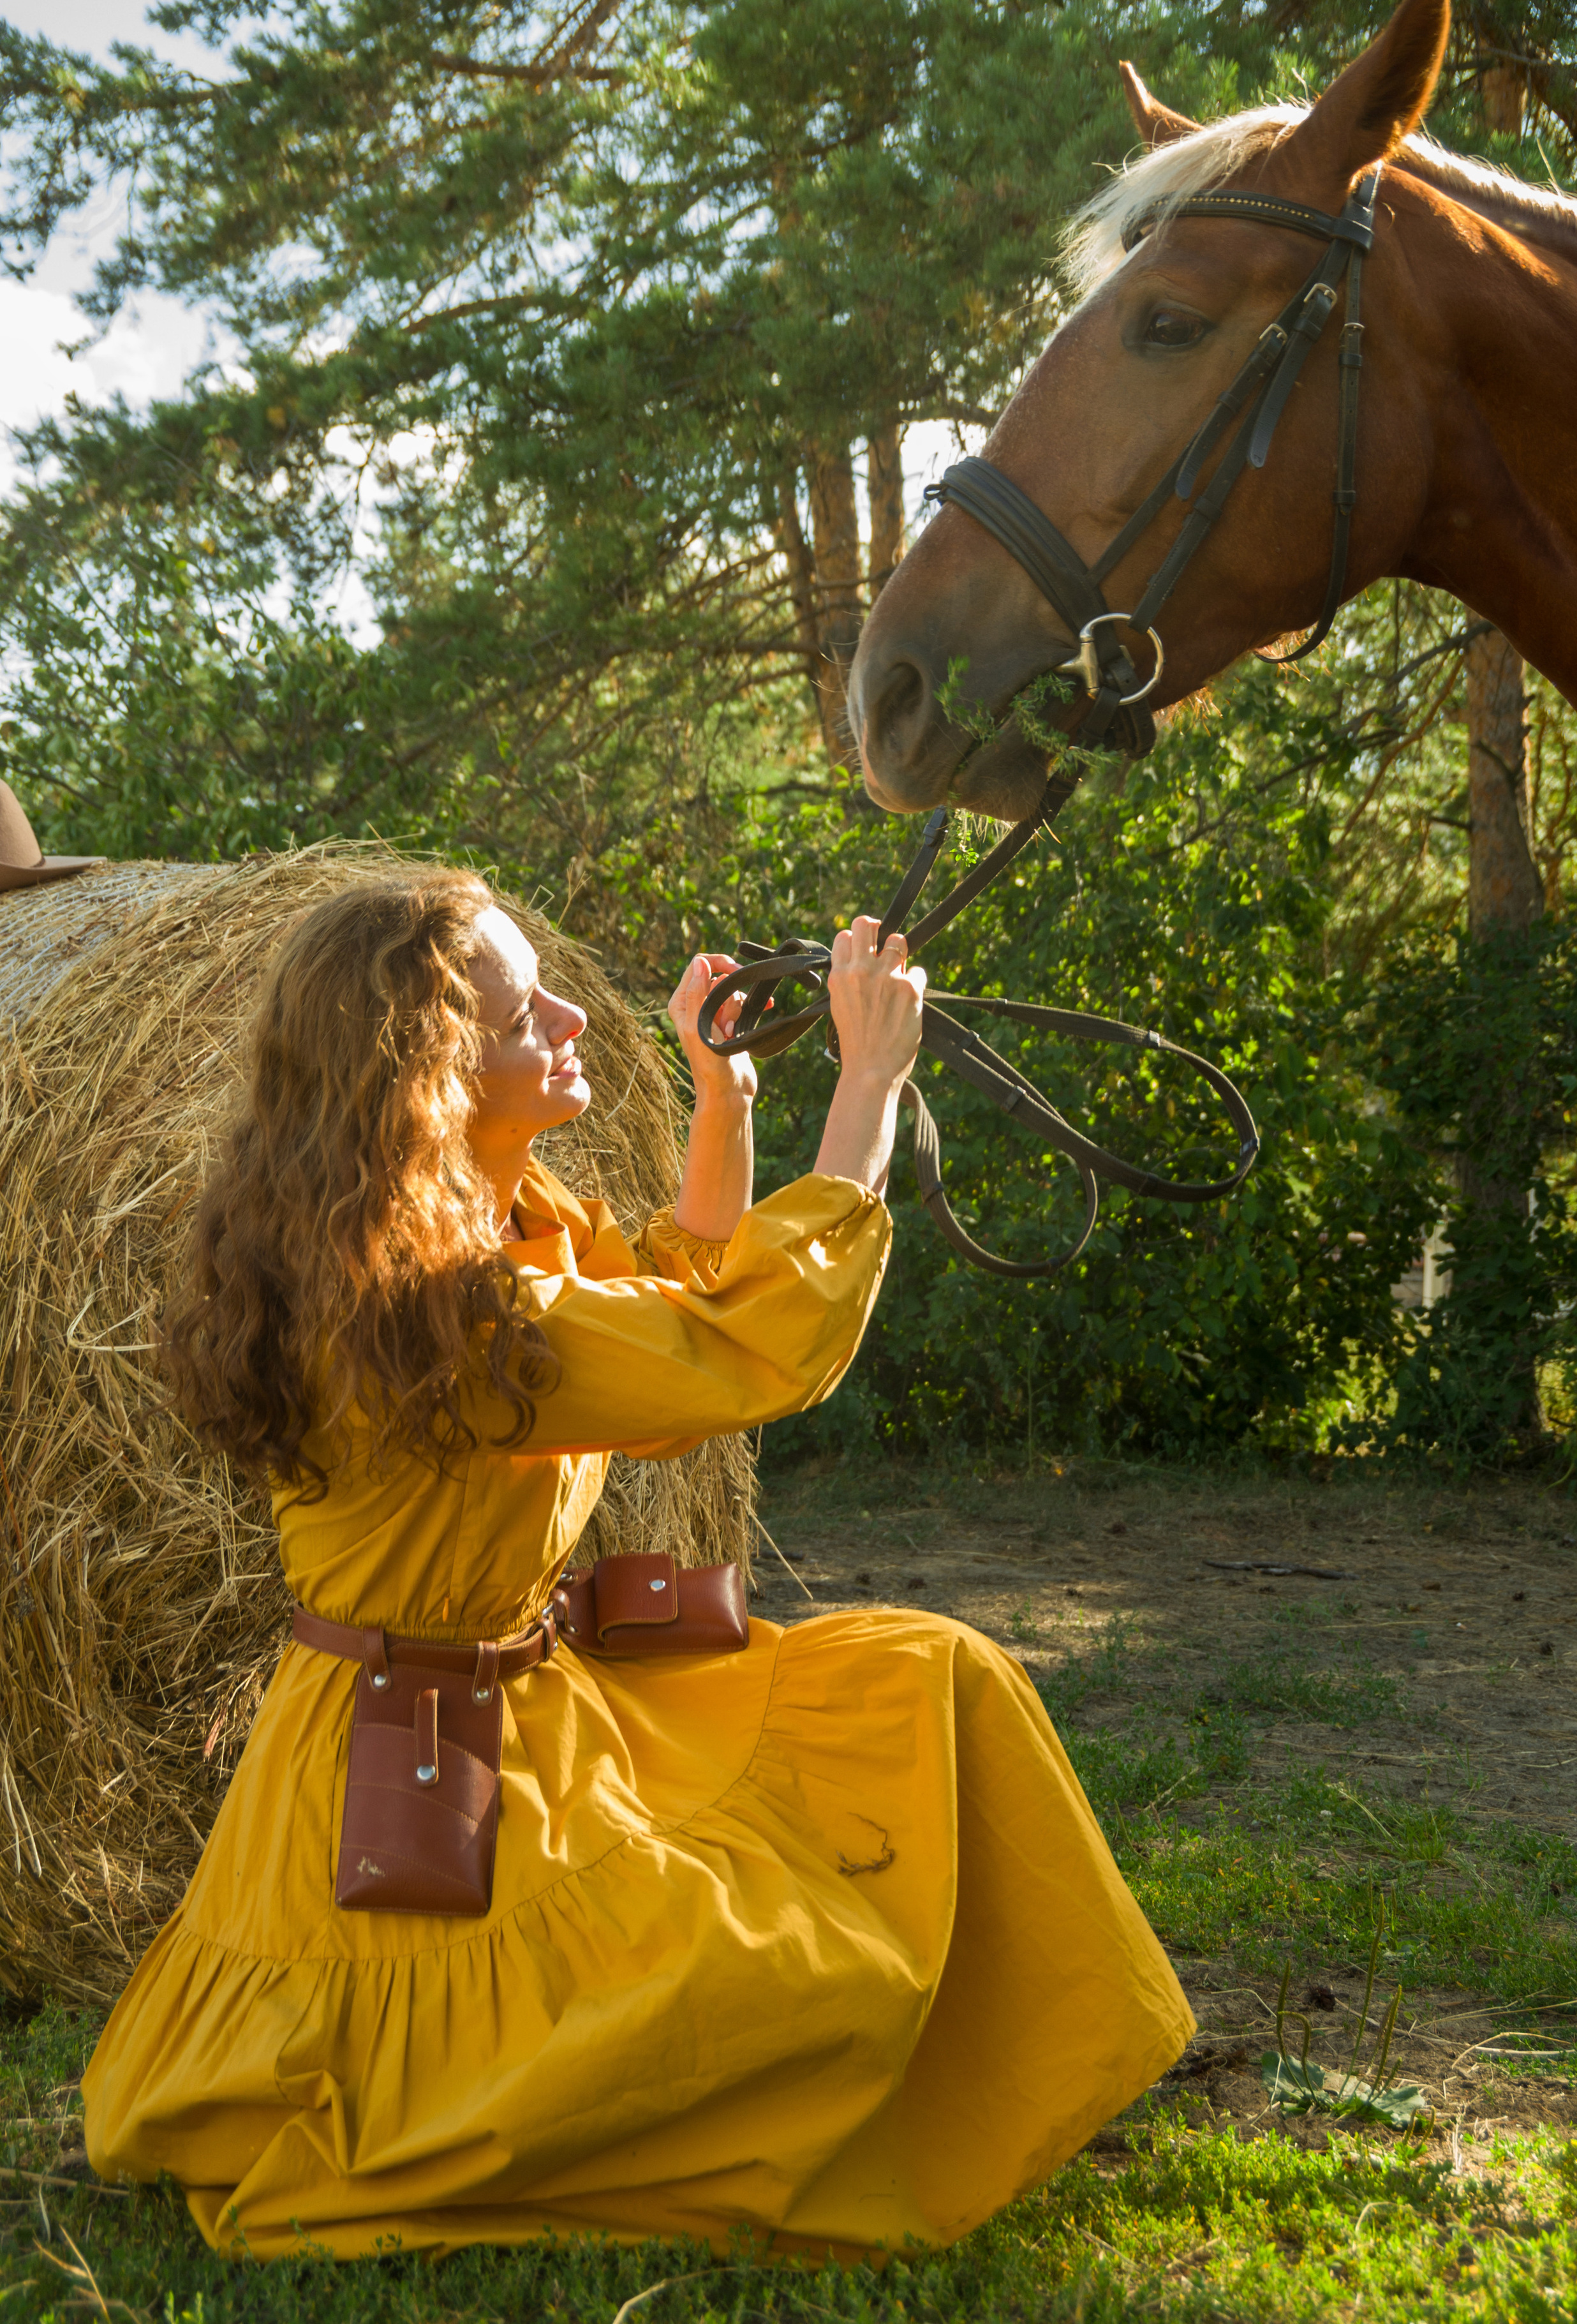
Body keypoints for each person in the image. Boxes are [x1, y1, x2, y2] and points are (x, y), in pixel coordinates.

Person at [82, 870, 1192, 2261]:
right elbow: (748, 1348)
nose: (567, 1018)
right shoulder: (441, 1311)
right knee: (796, 1971)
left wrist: (721, 1101)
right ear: (428, 1080)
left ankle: (1033, 2061)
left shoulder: (479, 1237)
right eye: (518, 1016)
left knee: (927, 1676)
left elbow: (671, 1309)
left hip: (521, 1709)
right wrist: (868, 1084)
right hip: (422, 1762)